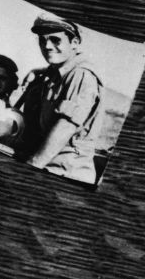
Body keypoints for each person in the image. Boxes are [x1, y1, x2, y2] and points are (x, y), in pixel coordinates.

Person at [13, 12, 104, 182]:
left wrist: (30, 168)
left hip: (67, 171)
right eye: (42, 40)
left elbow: (65, 127)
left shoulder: (81, 75)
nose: (47, 46)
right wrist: (35, 72)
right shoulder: (54, 73)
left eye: (55, 40)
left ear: (74, 43)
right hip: (50, 165)